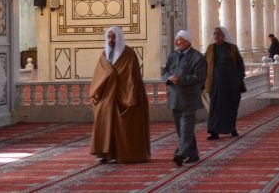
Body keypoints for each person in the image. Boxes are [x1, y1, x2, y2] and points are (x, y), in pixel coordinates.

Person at [88, 26, 150, 164]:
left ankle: (123, 154)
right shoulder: (104, 54)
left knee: (122, 126)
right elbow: (99, 75)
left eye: (113, 37)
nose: (111, 40)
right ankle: (104, 153)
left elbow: (131, 79)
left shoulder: (129, 54)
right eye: (109, 37)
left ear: (119, 38)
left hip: (125, 96)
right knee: (103, 121)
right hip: (107, 96)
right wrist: (97, 92)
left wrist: (128, 97)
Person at [163, 30, 207, 166]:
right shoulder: (173, 56)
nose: (177, 42)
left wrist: (181, 80)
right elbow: (165, 72)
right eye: (177, 39)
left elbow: (200, 77)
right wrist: (168, 79)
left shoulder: (197, 57)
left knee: (186, 128)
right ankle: (193, 154)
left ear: (187, 41)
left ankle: (180, 154)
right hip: (175, 98)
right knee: (180, 129)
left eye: (180, 40)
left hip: (188, 99)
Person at [205, 26, 245, 140]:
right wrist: (205, 82)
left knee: (230, 108)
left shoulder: (232, 48)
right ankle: (214, 132)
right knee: (215, 108)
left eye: (218, 33)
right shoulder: (210, 49)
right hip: (215, 85)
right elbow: (205, 65)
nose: (216, 36)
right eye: (215, 33)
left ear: (224, 35)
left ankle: (231, 128)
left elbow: (240, 65)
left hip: (231, 85)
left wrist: (237, 80)